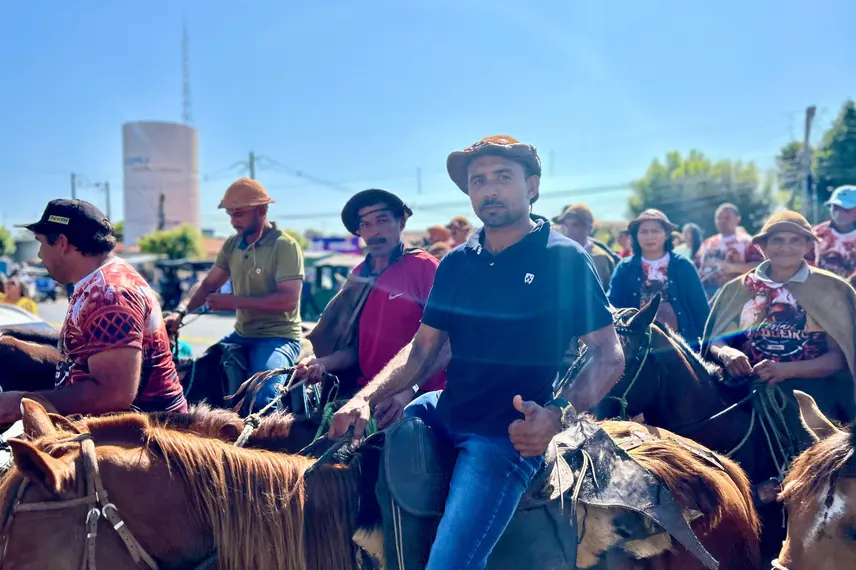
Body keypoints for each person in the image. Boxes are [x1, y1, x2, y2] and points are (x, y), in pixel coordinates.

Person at [330, 135, 625, 569]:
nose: (488, 189)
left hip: (502, 437)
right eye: (478, 181)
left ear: (533, 186)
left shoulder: (563, 259)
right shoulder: (456, 262)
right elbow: (422, 350)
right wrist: (363, 399)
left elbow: (609, 354)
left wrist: (557, 415)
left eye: (502, 177)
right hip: (443, 407)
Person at [0, 199, 187, 423]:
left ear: (62, 242)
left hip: (147, 436)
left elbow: (113, 394)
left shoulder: (110, 293)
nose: (40, 254)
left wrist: (23, 403)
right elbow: (79, 349)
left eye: (41, 243)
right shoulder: (98, 282)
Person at [295, 189, 445, 423]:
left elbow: (446, 342)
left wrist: (408, 391)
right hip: (364, 396)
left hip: (417, 398)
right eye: (365, 224)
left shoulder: (424, 268)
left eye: (382, 220)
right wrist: (323, 363)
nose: (374, 231)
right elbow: (356, 350)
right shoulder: (359, 277)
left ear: (401, 222)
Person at [164, 178, 305, 413]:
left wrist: (233, 302)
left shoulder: (285, 246)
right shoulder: (232, 245)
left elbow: (288, 299)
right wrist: (179, 313)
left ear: (262, 210)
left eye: (238, 214)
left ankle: (266, 447)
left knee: (262, 400)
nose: (232, 222)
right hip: (241, 334)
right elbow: (209, 283)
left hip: (278, 337)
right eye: (230, 215)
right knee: (194, 383)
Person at [704, 211, 856, 423]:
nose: (786, 247)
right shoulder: (738, 288)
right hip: (744, 393)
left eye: (795, 240)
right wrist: (726, 353)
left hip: (813, 399)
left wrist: (786, 370)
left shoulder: (831, 289)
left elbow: (840, 359)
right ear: (762, 246)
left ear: (808, 246)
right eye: (778, 240)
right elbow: (716, 338)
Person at [608, 210, 709, 346]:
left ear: (667, 234)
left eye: (655, 231)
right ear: (635, 236)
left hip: (682, 346)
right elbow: (612, 304)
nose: (649, 236)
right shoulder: (625, 268)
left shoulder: (683, 266)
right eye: (643, 231)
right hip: (636, 348)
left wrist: (710, 344)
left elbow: (701, 309)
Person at [696, 203, 764, 298]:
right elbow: (696, 266)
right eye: (718, 218)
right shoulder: (707, 243)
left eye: (727, 218)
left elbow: (760, 266)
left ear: (738, 220)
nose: (722, 221)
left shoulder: (747, 242)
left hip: (735, 295)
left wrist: (732, 268)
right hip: (706, 295)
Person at [552, 203, 618, 291]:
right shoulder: (556, 254)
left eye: (575, 225)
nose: (569, 230)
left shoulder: (599, 258)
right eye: (566, 225)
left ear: (589, 228)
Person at [807, 185, 856, 278]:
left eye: (846, 209)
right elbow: (807, 260)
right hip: (821, 288)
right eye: (835, 208)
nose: (839, 213)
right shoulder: (818, 233)